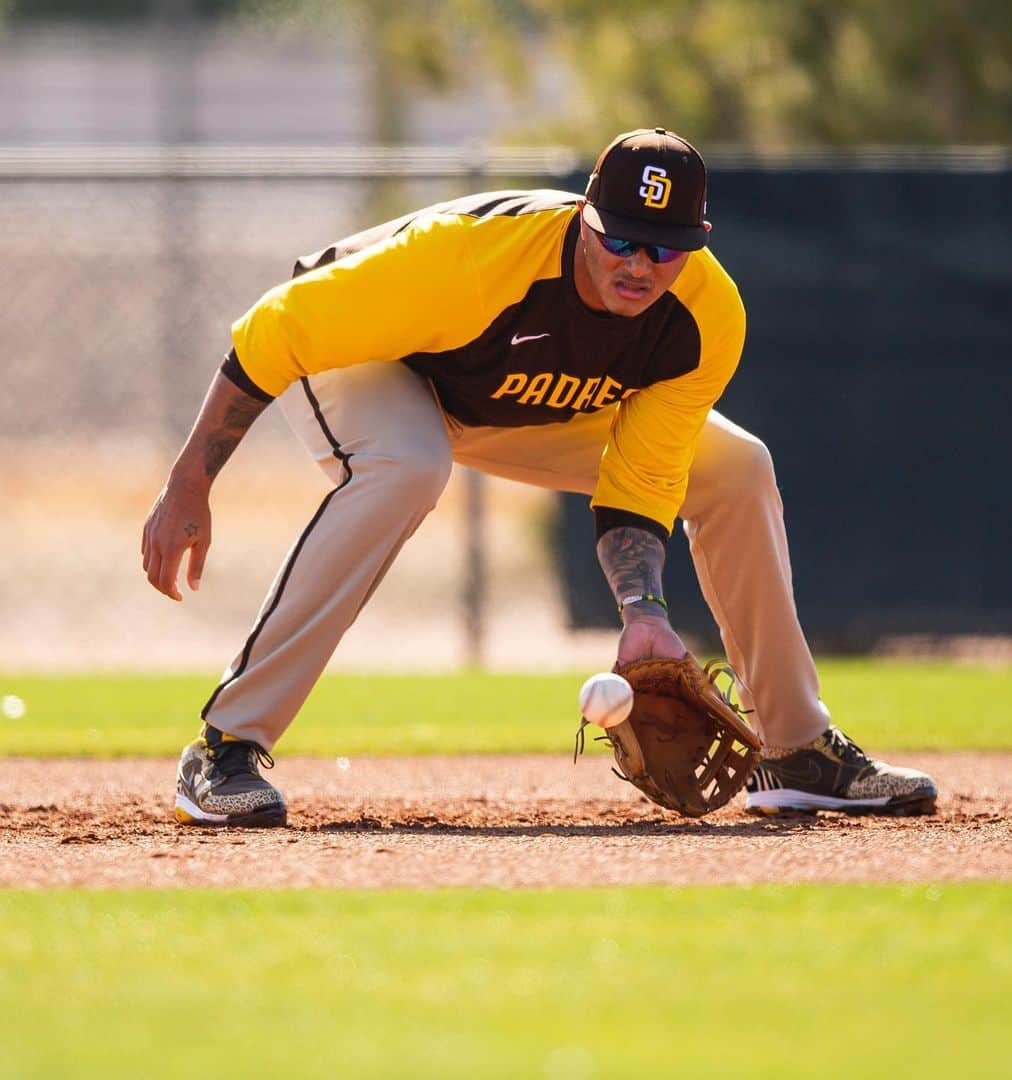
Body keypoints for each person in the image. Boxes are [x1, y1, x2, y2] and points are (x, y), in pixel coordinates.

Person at [142, 128, 937, 827]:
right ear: (584, 216)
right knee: (410, 464)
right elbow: (272, 331)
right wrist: (189, 481)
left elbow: (641, 479)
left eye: (664, 247)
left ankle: (796, 752)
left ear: (694, 245)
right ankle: (225, 748)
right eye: (620, 237)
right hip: (374, 361)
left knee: (737, 467)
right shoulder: (467, 262)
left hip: (511, 402)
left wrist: (644, 613)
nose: (638, 263)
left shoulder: (704, 319)